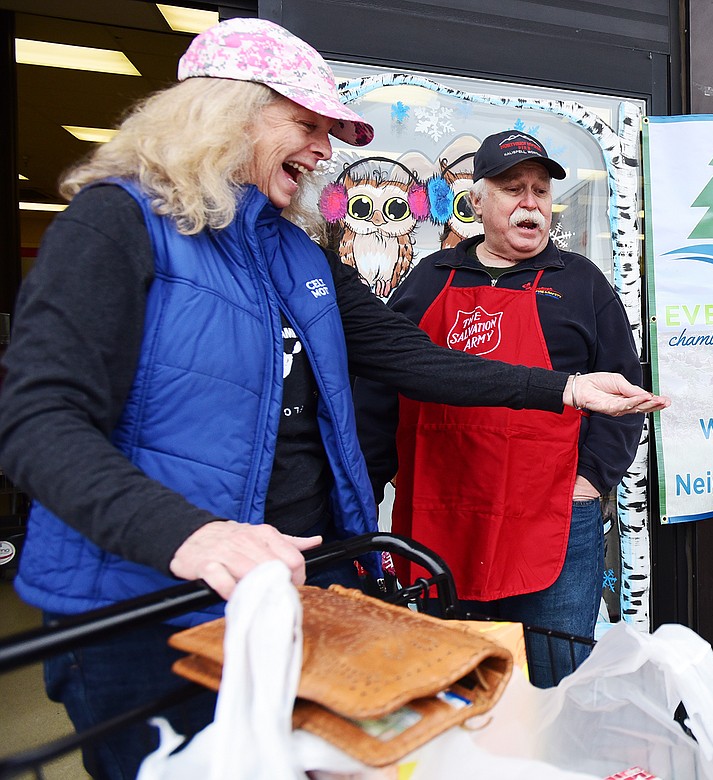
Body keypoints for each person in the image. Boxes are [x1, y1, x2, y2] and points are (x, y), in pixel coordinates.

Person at [0, 19, 666, 779]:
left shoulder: (299, 249)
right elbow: (37, 421)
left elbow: (406, 357)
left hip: (308, 589)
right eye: (308, 125)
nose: (324, 150)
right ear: (227, 112)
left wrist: (567, 388)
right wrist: (196, 537)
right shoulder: (117, 223)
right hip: (149, 606)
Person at [352, 130, 643, 688]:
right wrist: (362, 490)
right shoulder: (428, 279)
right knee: (454, 675)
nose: (530, 202)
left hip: (551, 515)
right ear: (478, 200)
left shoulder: (581, 284)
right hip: (442, 510)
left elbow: (625, 392)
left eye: (540, 189)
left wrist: (590, 480)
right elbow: (379, 392)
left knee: (556, 678)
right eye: (512, 189)